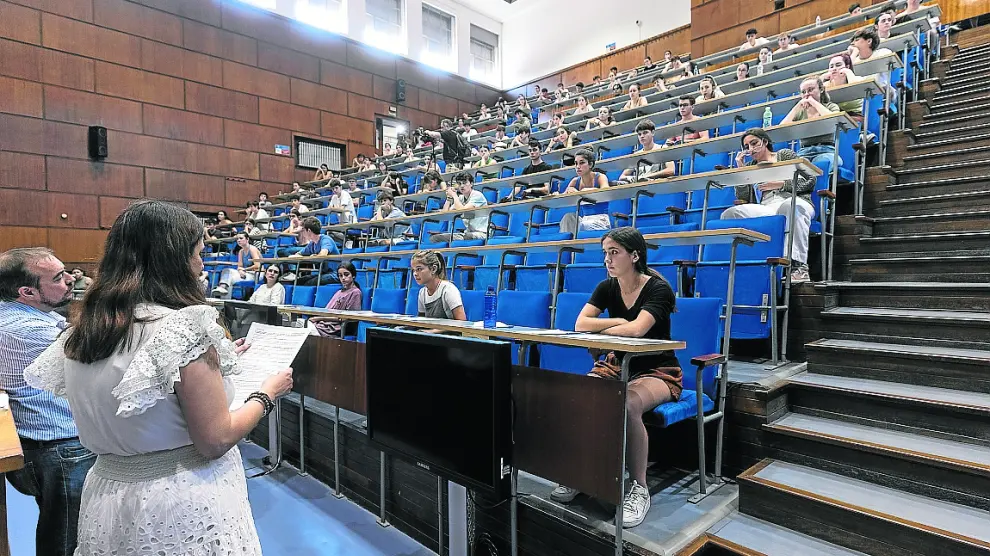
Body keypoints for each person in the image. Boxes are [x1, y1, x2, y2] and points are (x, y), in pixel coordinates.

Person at [23, 200, 294, 555]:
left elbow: (146, 379)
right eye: (198, 253)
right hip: (179, 500)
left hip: (108, 493)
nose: (202, 265)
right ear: (174, 260)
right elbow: (215, 439)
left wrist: (210, 367)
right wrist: (267, 393)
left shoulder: (82, 331)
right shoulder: (184, 329)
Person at [549, 227, 682, 529]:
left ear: (634, 256)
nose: (607, 259)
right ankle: (581, 474)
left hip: (658, 371)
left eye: (614, 252)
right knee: (580, 395)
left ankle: (639, 489)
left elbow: (637, 330)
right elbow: (581, 323)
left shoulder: (658, 289)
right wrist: (619, 320)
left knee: (627, 404)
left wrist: (607, 328)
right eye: (605, 253)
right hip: (617, 365)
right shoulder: (607, 287)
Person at [0, 248, 94, 556]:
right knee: (67, 541)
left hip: (51, 446)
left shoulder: (28, 313)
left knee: (65, 532)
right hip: (58, 448)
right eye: (57, 278)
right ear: (26, 291)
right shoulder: (25, 330)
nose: (70, 279)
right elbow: (102, 352)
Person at [722, 128, 815, 282]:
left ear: (765, 141)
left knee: (789, 206)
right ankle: (739, 266)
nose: (751, 149)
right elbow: (743, 196)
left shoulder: (784, 155)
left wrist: (782, 184)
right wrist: (741, 169)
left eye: (754, 143)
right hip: (767, 207)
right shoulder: (750, 165)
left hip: (794, 199)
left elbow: (810, 179)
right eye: (746, 147)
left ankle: (799, 267)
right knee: (730, 214)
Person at [781, 77, 842, 166]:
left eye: (810, 90)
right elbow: (782, 128)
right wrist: (798, 106)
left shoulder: (831, 106)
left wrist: (813, 102)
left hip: (826, 150)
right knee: (794, 167)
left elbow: (834, 119)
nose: (806, 94)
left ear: (821, 89)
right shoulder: (800, 112)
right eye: (803, 92)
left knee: (820, 163)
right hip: (803, 152)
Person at [558, 149, 611, 235]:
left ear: (590, 164)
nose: (578, 166)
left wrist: (581, 192)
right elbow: (563, 198)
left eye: (582, 163)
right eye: (576, 163)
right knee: (567, 218)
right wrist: (558, 195)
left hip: (601, 219)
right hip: (585, 219)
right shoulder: (575, 181)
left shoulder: (600, 177)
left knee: (582, 226)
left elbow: (605, 191)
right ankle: (566, 243)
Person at [430, 173, 489, 243]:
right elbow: (445, 213)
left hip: (482, 233)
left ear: (471, 184)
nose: (462, 186)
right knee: (435, 238)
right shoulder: (460, 198)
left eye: (464, 183)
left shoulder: (477, 195)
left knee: (461, 237)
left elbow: (462, 210)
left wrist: (454, 195)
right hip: (468, 233)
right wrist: (449, 198)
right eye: (459, 183)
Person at [307, 263, 362, 337]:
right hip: (322, 324)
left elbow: (346, 318)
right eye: (340, 275)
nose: (343, 278)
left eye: (346, 275)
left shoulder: (355, 292)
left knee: (303, 331)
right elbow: (327, 311)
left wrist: (317, 318)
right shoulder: (339, 292)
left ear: (353, 276)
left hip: (333, 328)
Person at [412, 251, 466, 321]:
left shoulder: (448, 289)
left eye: (419, 269)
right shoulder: (422, 292)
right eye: (413, 270)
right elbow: (421, 321)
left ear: (433, 269)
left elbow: (462, 322)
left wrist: (436, 329)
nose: (415, 274)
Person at [289, 216, 341, 286]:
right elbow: (299, 254)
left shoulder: (326, 239)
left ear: (309, 231)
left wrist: (314, 256)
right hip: (323, 273)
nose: (302, 233)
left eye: (303, 230)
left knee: (309, 283)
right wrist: (298, 256)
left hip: (335, 274)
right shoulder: (312, 243)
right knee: (299, 281)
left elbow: (323, 254)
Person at [212, 232, 262, 299]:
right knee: (227, 271)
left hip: (257, 274)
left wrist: (244, 269)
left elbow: (257, 266)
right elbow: (240, 265)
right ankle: (223, 294)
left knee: (230, 278)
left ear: (247, 239)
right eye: (237, 239)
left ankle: (223, 289)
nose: (238, 240)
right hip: (246, 273)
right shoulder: (241, 251)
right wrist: (240, 270)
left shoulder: (252, 249)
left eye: (241, 238)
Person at [821, 53, 865, 122]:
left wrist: (848, 72)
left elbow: (856, 88)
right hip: (834, 115)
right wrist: (822, 77)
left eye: (838, 65)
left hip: (856, 116)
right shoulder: (826, 85)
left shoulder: (857, 79)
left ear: (847, 66)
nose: (834, 69)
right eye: (831, 67)